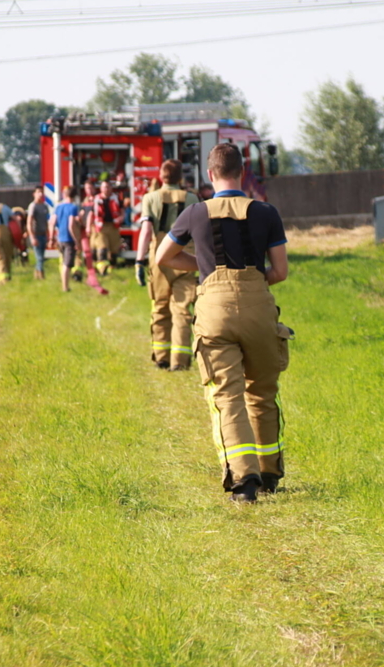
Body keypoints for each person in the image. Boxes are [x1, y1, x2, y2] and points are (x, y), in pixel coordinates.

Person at [155, 143, 291, 504]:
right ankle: (270, 474)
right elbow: (280, 271)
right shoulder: (266, 212)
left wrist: (202, 268)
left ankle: (244, 482)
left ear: (209, 175)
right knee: (262, 392)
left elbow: (162, 257)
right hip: (259, 308)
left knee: (227, 396)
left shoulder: (195, 213)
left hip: (214, 308)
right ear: (242, 173)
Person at [135, 159, 201, 371]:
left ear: (161, 176)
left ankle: (161, 357)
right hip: (186, 258)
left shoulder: (149, 198)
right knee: (182, 310)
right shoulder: (192, 198)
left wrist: (139, 259)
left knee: (160, 308)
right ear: (180, 177)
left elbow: (146, 231)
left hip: (159, 259)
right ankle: (180, 361)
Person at [90, 180, 123, 276]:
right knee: (102, 248)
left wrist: (122, 217)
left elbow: (122, 210)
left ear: (111, 188)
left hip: (113, 226)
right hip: (101, 227)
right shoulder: (96, 199)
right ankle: (102, 270)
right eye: (104, 187)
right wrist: (89, 226)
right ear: (101, 188)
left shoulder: (116, 198)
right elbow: (92, 213)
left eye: (108, 187)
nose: (106, 189)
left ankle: (112, 267)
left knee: (114, 249)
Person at [53, 185, 80, 293]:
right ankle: (65, 287)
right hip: (69, 239)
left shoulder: (58, 207)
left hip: (60, 237)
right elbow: (71, 225)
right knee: (67, 264)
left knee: (64, 262)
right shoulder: (73, 208)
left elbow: (52, 222)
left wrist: (52, 237)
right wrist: (76, 240)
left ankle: (65, 285)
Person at [26, 186, 50, 280]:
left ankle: (36, 273)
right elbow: (29, 222)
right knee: (39, 257)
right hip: (36, 235)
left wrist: (48, 235)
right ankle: (41, 276)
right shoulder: (33, 206)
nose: (40, 194)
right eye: (38, 192)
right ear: (34, 194)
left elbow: (46, 222)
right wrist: (32, 237)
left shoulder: (45, 206)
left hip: (43, 234)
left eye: (42, 192)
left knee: (41, 257)